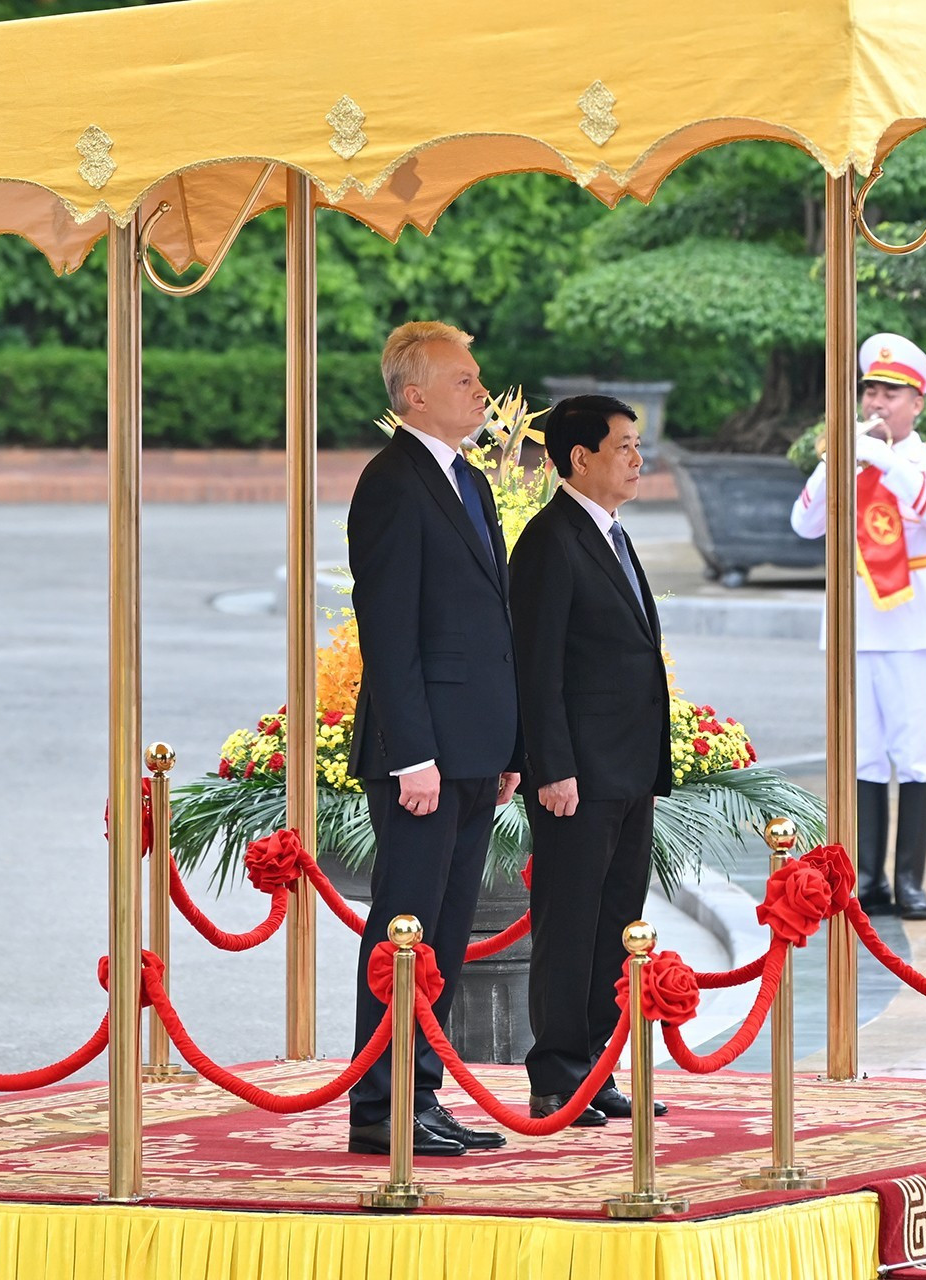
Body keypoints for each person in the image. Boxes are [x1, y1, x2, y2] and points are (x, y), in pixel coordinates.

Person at [346, 321, 519, 1157]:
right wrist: (412, 751)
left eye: (478, 378)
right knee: (403, 931)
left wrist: (506, 746)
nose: (479, 392)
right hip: (421, 753)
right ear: (414, 395)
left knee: (445, 934)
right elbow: (387, 630)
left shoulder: (470, 481)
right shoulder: (392, 482)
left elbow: (492, 621)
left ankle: (423, 1096)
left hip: (473, 748)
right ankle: (379, 1108)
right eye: (462, 380)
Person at [512, 394, 670, 1126]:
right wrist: (552, 767)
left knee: (616, 922)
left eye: (639, 447)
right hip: (577, 773)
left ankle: (597, 1066)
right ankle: (557, 1073)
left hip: (628, 769)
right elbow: (535, 666)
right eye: (626, 447)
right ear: (580, 458)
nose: (638, 460)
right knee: (569, 924)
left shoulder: (613, 535)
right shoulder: (551, 540)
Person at [790, 333, 926, 920]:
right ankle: (868, 874)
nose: (877, 403)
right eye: (870, 391)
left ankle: (910, 877)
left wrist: (888, 462)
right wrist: (835, 458)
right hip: (854, 623)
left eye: (891, 394)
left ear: (917, 403)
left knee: (915, 753)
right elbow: (804, 524)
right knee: (862, 755)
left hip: (912, 623)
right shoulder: (848, 456)